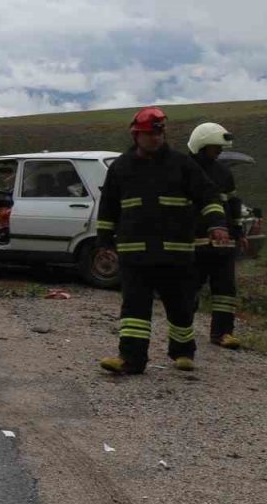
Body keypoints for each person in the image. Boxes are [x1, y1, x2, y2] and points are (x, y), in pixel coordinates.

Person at [96, 107, 228, 376]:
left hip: (175, 254)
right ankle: (130, 359)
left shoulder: (182, 164)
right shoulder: (121, 167)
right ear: (136, 135)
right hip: (135, 255)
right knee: (134, 309)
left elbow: (209, 195)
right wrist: (104, 242)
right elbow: (108, 207)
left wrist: (217, 225)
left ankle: (182, 352)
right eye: (149, 134)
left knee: (180, 307)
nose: (156, 138)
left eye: (159, 133)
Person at [188, 122, 244, 349]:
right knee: (188, 288)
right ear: (201, 146)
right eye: (215, 147)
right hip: (193, 243)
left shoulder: (223, 172)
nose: (219, 151)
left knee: (225, 290)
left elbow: (233, 203)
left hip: (223, 243)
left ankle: (223, 333)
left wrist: (238, 232)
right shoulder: (183, 169)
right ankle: (182, 332)